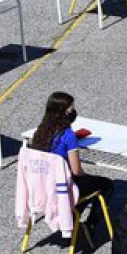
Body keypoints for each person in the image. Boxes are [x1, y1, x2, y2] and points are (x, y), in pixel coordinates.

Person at [31, 91, 113, 224]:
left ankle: (73, 215)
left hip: (43, 186)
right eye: (71, 108)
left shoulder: (40, 132)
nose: (73, 110)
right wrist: (87, 176)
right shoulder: (68, 136)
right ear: (64, 112)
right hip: (62, 188)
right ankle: (89, 222)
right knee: (106, 184)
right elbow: (77, 172)